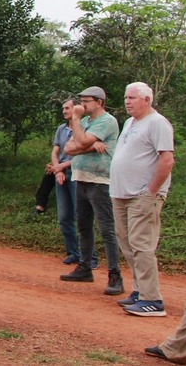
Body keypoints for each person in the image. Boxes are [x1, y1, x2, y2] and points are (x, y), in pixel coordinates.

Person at [111, 82, 174, 317]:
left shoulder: (157, 123)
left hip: (142, 195)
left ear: (147, 99)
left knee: (142, 246)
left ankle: (152, 299)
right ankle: (139, 291)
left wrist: (152, 191)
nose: (127, 101)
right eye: (126, 97)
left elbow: (166, 160)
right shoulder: (129, 123)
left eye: (133, 98)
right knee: (127, 244)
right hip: (121, 193)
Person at [59, 86, 122, 297]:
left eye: (86, 101)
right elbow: (68, 148)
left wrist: (79, 128)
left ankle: (115, 274)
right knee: (84, 227)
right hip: (81, 178)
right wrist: (89, 145)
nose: (81, 105)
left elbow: (80, 141)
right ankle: (85, 268)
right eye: (81, 101)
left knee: (106, 229)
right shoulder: (86, 123)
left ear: (99, 102)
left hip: (100, 181)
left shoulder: (107, 121)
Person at [50, 98, 87, 266]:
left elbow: (83, 155)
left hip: (76, 173)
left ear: (76, 109)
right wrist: (58, 170)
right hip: (61, 173)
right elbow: (55, 151)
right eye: (63, 108)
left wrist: (60, 168)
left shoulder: (84, 127)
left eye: (67, 108)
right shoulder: (61, 129)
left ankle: (88, 257)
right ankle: (73, 252)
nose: (64, 111)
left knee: (81, 215)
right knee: (64, 216)